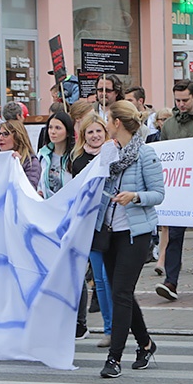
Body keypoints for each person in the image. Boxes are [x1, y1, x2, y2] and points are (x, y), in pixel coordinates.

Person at [97, 100, 165, 378]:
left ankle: (114, 358)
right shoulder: (109, 152)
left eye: (107, 119)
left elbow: (159, 194)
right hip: (109, 232)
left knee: (121, 293)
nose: (104, 124)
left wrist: (135, 196)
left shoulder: (145, 154)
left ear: (117, 123)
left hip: (135, 234)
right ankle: (146, 343)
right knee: (121, 293)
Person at [155, 79, 193, 302]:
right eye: (177, 100)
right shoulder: (169, 126)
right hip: (178, 189)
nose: (181, 104)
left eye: (185, 100)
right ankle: (171, 280)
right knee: (174, 235)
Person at [72, 113, 114, 348]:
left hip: (112, 222)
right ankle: (108, 329)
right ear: (83, 135)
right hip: (91, 227)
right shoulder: (78, 160)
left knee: (112, 279)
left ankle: (118, 325)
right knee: (100, 280)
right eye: (91, 132)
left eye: (99, 131)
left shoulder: (111, 155)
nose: (96, 135)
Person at [0, 119, 41, 187]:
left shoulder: (31, 162)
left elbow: (29, 189)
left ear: (18, 136)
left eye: (5, 134)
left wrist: (18, 166)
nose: (0, 138)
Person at [37, 111, 75, 199]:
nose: (53, 132)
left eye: (58, 128)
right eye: (50, 127)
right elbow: (39, 181)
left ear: (68, 132)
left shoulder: (74, 156)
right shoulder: (42, 154)